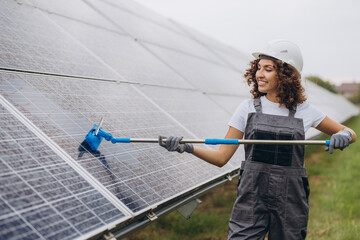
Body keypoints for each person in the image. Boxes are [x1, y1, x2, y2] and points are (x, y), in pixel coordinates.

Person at [158, 39, 357, 240]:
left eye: (268, 69)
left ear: (287, 74)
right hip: (252, 197)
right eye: (258, 68)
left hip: (291, 199)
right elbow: (221, 157)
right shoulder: (247, 108)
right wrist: (188, 147)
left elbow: (350, 132)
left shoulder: (306, 111)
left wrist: (344, 135)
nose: (259, 74)